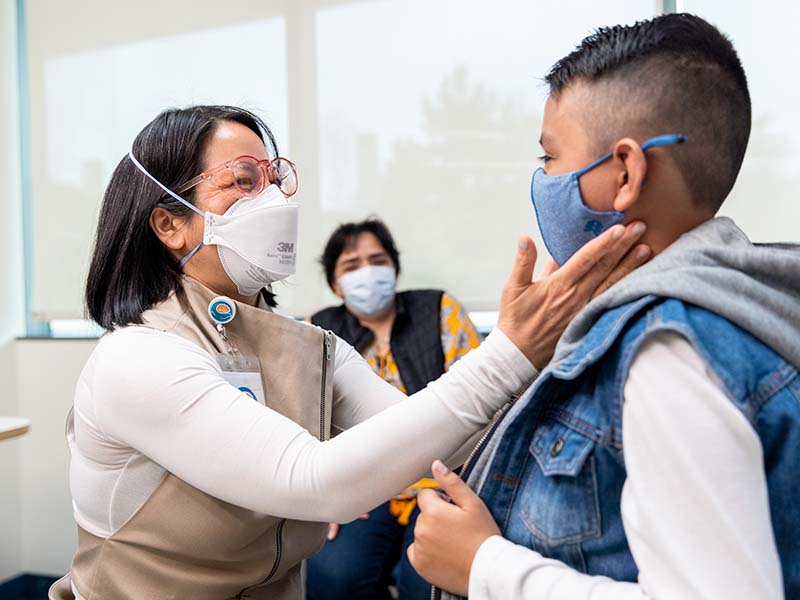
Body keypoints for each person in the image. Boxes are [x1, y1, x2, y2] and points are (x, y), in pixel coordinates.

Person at [49, 105, 651, 600]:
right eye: (245, 181)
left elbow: (446, 446)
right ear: (169, 224)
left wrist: (556, 345)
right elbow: (319, 482)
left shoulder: (312, 351)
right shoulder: (137, 359)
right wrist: (511, 351)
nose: (277, 199)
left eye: (278, 176)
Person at [407, 13, 800, 600]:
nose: (541, 178)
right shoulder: (743, 300)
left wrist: (484, 566)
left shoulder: (667, 349)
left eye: (550, 158)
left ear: (624, 172)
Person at [306, 218, 481, 600]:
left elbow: (479, 400)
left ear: (394, 267)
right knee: (334, 576)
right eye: (352, 266)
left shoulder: (440, 310)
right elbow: (306, 421)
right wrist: (328, 495)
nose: (367, 272)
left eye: (377, 260)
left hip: (442, 481)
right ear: (336, 284)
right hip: (365, 488)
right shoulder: (317, 332)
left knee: (430, 581)